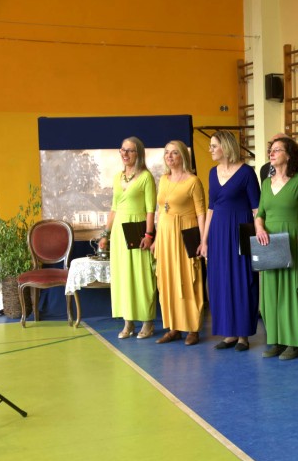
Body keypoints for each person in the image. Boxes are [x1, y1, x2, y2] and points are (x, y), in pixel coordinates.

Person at [199, 130, 261, 352]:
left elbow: (257, 208)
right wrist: (204, 240)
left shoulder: (246, 173)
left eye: (214, 145)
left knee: (243, 280)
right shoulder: (212, 173)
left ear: (225, 147)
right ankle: (229, 333)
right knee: (221, 281)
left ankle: (243, 335)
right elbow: (211, 208)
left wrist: (259, 232)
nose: (210, 149)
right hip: (218, 233)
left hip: (240, 232)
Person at [255, 136, 298, 360]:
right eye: (271, 149)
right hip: (268, 241)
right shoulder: (266, 184)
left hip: (291, 239)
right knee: (271, 292)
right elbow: (260, 214)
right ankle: (276, 340)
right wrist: (259, 228)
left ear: (288, 156)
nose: (272, 153)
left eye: (277, 150)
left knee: (291, 292)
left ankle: (294, 342)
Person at [98, 137, 156, 340]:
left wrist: (148, 235)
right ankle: (128, 321)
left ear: (138, 154)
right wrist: (105, 234)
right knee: (123, 277)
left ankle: (147, 322)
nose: (124, 154)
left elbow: (150, 210)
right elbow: (114, 208)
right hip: (119, 233)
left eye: (129, 150)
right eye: (122, 150)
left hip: (137, 229)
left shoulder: (146, 177)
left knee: (141, 276)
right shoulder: (117, 177)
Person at [152, 140, 206, 346]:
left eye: (174, 153)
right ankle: (173, 327)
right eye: (167, 152)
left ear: (183, 156)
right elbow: (160, 211)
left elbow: (201, 213)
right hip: (165, 236)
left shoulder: (193, 181)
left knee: (188, 280)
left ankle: (193, 328)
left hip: (186, 235)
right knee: (168, 281)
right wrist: (157, 238)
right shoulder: (163, 179)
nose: (169, 156)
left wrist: (203, 240)